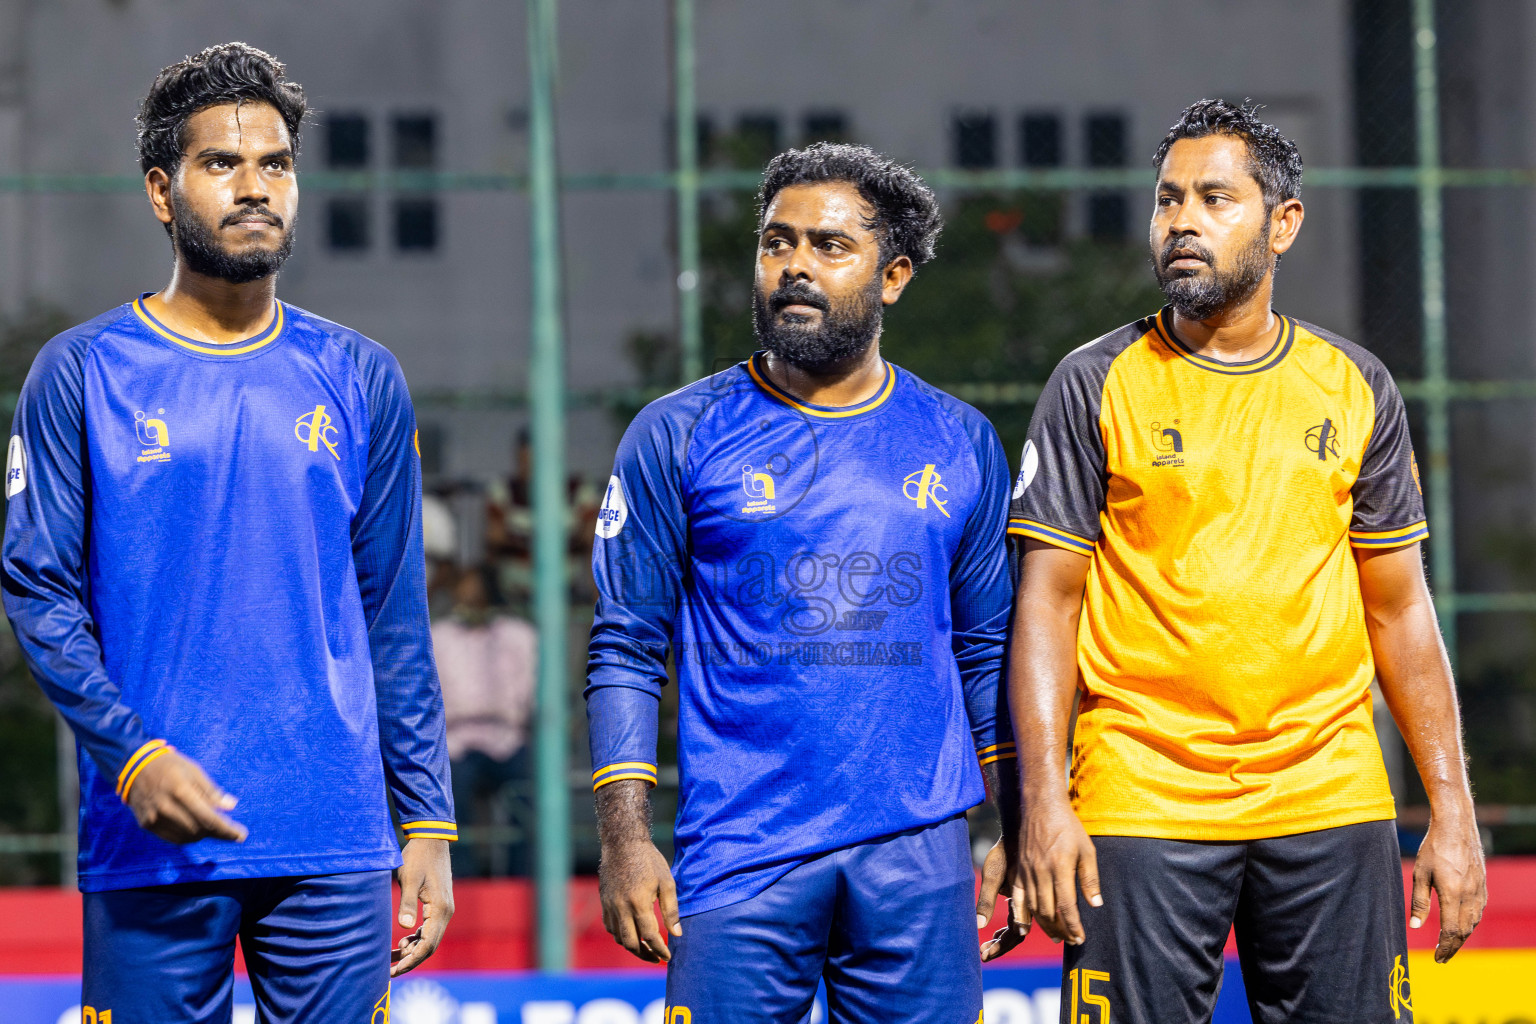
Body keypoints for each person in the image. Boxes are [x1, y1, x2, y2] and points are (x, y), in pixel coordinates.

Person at [1, 43, 455, 1021]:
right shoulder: (80, 374)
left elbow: (394, 616)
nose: (255, 187)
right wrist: (132, 754)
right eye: (222, 164)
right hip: (148, 833)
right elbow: (38, 592)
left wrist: (427, 818)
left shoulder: (362, 374)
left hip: (333, 837)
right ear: (163, 192)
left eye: (276, 164)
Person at [1006, 99, 1486, 1023]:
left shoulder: (1355, 385)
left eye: (1214, 198)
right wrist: (1039, 807)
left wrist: (1452, 813)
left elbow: (1400, 611)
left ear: (1284, 223)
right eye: (1167, 200)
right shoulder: (1093, 381)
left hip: (1328, 794)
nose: (1181, 220)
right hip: (1141, 793)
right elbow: (1047, 607)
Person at [586, 143, 1020, 1022]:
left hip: (919, 854)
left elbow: (987, 650)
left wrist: (1013, 820)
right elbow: (626, 646)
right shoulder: (677, 434)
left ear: (892, 275)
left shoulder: (959, 439)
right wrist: (625, 840)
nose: (793, 266)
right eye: (776, 242)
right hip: (741, 857)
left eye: (828, 246)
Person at [434, 564, 537, 876]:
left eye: (476, 595)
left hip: (508, 737)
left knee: (531, 796)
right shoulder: (439, 636)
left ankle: (524, 880)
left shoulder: (519, 635)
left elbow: (530, 688)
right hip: (456, 741)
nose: (468, 602)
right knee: (448, 801)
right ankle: (461, 881)